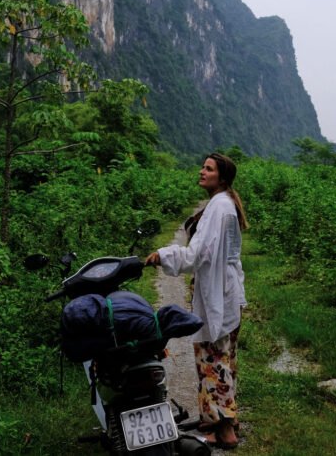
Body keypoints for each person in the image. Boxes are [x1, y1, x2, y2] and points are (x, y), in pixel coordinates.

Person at [145, 152, 246, 450]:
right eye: (202, 166)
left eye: (209, 169)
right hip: (227, 293)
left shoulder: (219, 208)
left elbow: (197, 255)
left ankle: (223, 431)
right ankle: (221, 419)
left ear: (222, 178)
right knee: (224, 359)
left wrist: (163, 255)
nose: (202, 171)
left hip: (219, 293)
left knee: (214, 360)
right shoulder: (222, 204)